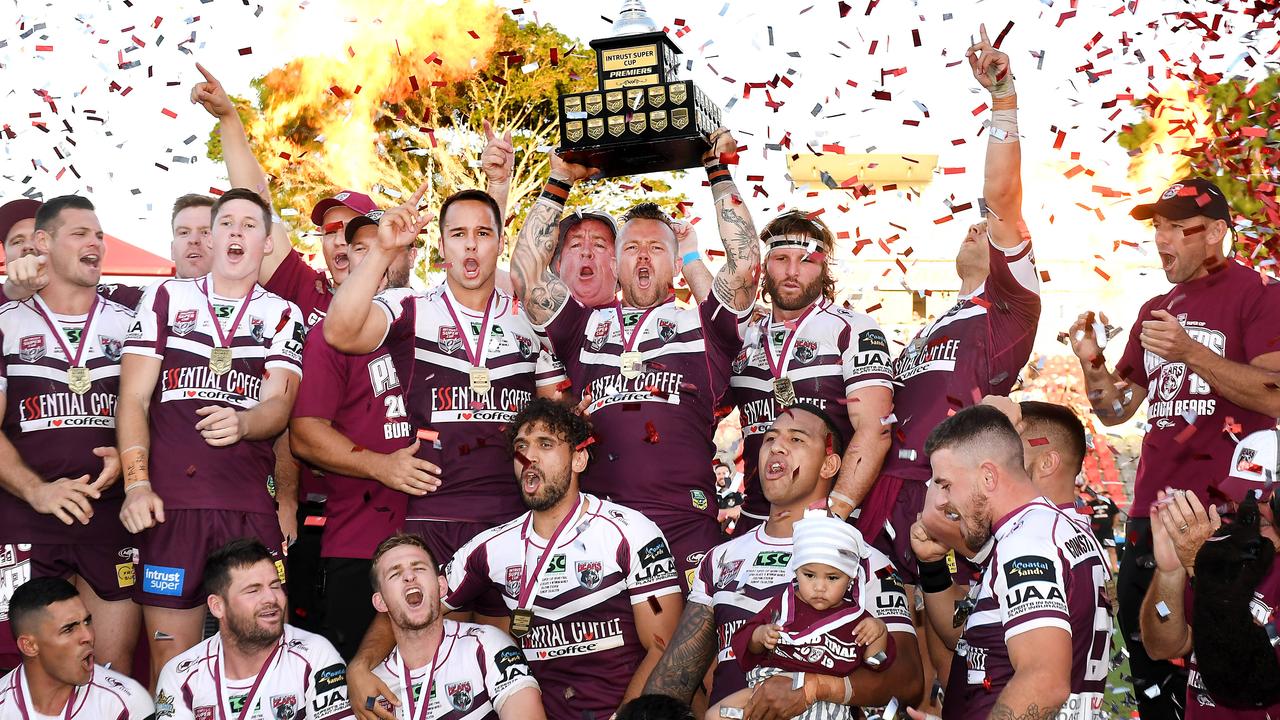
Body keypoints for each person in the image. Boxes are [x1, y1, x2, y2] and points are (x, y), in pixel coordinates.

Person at [510, 130, 761, 591]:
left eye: (656, 249)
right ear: (614, 265)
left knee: (689, 660)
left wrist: (717, 168)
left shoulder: (706, 326)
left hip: (684, 524)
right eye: (631, 248)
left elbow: (744, 268)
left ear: (675, 264)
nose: (643, 258)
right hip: (602, 529)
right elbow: (526, 278)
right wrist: (558, 182)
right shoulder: (584, 327)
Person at [1069, 176, 1280, 719]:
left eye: (1177, 228)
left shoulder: (1261, 294)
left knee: (1224, 674)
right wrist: (1092, 363)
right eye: (1157, 227)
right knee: (1153, 674)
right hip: (1148, 519)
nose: (1162, 239)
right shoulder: (1156, 307)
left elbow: (1274, 394)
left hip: (1227, 520)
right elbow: (1118, 410)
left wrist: (1191, 352)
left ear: (1214, 233)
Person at [348, 398, 683, 720]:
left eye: (545, 444)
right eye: (521, 447)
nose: (529, 458)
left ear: (579, 460)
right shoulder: (490, 548)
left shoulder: (630, 532)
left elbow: (664, 648)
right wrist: (359, 667)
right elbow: (411, 602)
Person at [857, 26, 1040, 587]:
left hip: (945, 496)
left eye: (984, 229)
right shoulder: (933, 325)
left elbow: (1003, 200)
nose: (974, 229)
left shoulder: (1009, 309)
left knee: (952, 647)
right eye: (969, 225)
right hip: (883, 492)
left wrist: (1003, 100)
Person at [116, 187, 305, 682]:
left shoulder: (284, 313)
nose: (237, 232)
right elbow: (133, 398)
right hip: (172, 506)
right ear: (212, 237)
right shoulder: (163, 297)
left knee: (263, 656)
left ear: (267, 244)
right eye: (227, 223)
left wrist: (244, 423)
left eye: (250, 224)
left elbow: (279, 407)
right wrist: (137, 483)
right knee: (171, 662)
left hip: (247, 506)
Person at [324, 181, 565, 566]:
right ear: (440, 247)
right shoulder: (409, 305)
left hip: (513, 518)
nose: (470, 245)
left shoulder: (530, 319)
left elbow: (558, 415)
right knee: (430, 628)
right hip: (431, 515)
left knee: (502, 631)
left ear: (500, 244)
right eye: (457, 234)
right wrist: (384, 250)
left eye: (482, 233)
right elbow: (339, 332)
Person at [643, 405, 922, 717]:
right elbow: (675, 677)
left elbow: (908, 680)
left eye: (797, 440)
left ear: (829, 464)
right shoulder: (721, 557)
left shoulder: (868, 561)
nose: (776, 446)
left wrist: (812, 688)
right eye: (769, 439)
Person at [0, 196, 139, 673]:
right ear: (43, 243)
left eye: (99, 235)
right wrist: (36, 490)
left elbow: (156, 411)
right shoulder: (6, 321)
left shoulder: (133, 319)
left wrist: (131, 456)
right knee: (24, 667)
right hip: (26, 520)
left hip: (111, 519)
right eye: (81, 233)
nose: (96, 243)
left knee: (110, 667)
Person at [906, 405, 1111, 720]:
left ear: (988, 476)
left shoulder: (1026, 544)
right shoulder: (1052, 530)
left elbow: (1044, 682)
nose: (943, 500)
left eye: (946, 484)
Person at [289, 211, 419, 660]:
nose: (374, 258)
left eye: (387, 245)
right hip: (359, 543)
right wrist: (380, 465)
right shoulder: (330, 337)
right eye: (362, 250)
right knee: (356, 682)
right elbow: (304, 436)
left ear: (413, 252)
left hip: (440, 536)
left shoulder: (440, 320)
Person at [727, 209, 894, 533]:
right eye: (781, 259)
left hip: (829, 521)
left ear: (823, 267)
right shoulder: (745, 335)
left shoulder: (853, 328)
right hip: (756, 523)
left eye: (806, 260)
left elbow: (877, 430)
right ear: (764, 266)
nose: (792, 271)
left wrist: (832, 517)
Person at [1138, 428, 1280, 718]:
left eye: (1261, 498)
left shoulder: (1211, 563)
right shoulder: (1224, 551)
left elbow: (1248, 682)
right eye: (1241, 496)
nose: (1247, 509)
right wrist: (1171, 572)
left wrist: (1199, 571)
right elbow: (1163, 645)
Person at [713, 517, 890, 720]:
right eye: (809, 575)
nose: (819, 587)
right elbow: (746, 646)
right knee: (714, 715)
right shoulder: (784, 603)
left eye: (832, 578)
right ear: (796, 571)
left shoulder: (858, 619)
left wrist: (879, 632)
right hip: (765, 690)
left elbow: (876, 663)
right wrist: (759, 636)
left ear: (851, 578)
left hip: (824, 703)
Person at [154, 539, 353, 719]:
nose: (271, 599)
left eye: (275, 586)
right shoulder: (180, 675)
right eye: (253, 590)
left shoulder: (314, 654)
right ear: (217, 606)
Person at [365, 533, 546, 720]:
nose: (409, 576)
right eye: (395, 573)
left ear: (441, 586)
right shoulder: (372, 685)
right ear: (380, 602)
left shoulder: (485, 645)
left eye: (419, 568)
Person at [0, 577, 153, 719]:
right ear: (30, 646)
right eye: (69, 629)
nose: (88, 636)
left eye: (87, 622)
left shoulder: (125, 703)